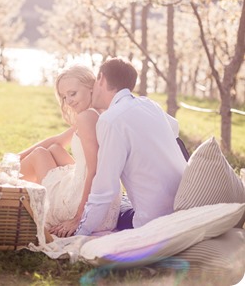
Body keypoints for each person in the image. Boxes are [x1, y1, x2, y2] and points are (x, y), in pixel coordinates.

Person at [75, 57, 187, 236]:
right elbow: (175, 130)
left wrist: (80, 232)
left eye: (96, 81)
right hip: (182, 207)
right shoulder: (150, 104)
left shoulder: (110, 120)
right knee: (124, 199)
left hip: (152, 222)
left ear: (102, 79)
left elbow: (105, 190)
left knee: (114, 210)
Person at [19, 65, 121, 237]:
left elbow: (95, 171)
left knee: (39, 155)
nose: (69, 101)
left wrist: (79, 218)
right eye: (64, 97)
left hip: (83, 206)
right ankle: (8, 168)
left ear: (91, 87)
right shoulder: (100, 112)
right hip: (109, 208)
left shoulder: (86, 117)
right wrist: (17, 157)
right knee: (54, 149)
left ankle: (0, 184)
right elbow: (57, 141)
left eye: (72, 94)